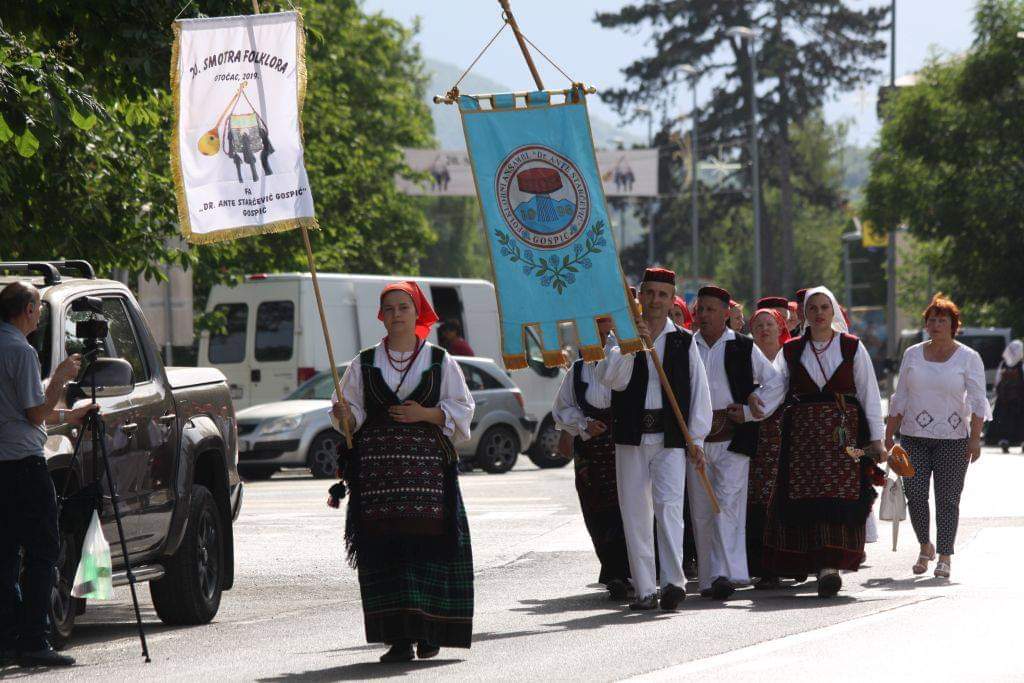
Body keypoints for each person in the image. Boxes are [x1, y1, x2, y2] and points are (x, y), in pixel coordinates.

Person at [331, 281, 475, 663]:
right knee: (387, 557)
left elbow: (463, 409)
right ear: (381, 316)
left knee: (427, 555)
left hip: (429, 481)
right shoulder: (363, 362)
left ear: (417, 313)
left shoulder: (441, 360)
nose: (396, 314)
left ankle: (428, 633)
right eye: (390, 308)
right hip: (378, 482)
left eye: (403, 307)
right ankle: (398, 639)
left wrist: (424, 413)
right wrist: (344, 415)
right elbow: (352, 415)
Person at [598, 267, 712, 611]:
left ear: (672, 299)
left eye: (663, 295)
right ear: (640, 296)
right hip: (631, 436)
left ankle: (674, 582)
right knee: (636, 513)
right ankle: (646, 589)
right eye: (650, 293)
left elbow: (699, 391)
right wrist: (631, 345)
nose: (656, 300)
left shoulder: (684, 340)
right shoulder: (620, 337)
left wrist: (697, 438)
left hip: (671, 438)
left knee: (670, 509)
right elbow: (611, 380)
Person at [761, 286, 886, 597]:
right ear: (805, 313)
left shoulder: (852, 347)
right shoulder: (791, 350)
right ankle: (817, 564)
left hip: (843, 435)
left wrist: (877, 440)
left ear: (834, 312)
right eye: (812, 308)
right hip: (803, 438)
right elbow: (775, 389)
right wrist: (751, 409)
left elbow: (869, 394)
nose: (818, 313)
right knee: (807, 499)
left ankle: (830, 566)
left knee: (839, 498)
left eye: (824, 307)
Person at [0, 282, 96, 668]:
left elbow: (22, 411)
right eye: (38, 307)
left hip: (4, 464)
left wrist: (69, 415)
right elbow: (34, 413)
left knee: (7, 554)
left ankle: (8, 637)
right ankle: (34, 639)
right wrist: (60, 378)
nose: (39, 314)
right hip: (24, 465)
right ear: (27, 309)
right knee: (44, 550)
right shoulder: (20, 351)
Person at [689, 288, 787, 600]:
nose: (704, 315)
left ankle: (724, 574)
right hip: (696, 440)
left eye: (710, 309)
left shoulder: (743, 346)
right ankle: (708, 578)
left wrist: (749, 410)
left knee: (728, 504)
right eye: (700, 309)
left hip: (733, 438)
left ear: (725, 313)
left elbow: (776, 381)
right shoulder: (687, 345)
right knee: (702, 508)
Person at [885, 294, 990, 579]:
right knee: (915, 494)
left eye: (942, 320)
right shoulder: (912, 354)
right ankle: (925, 546)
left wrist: (975, 438)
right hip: (912, 437)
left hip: (954, 440)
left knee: (947, 499)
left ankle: (944, 556)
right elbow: (900, 395)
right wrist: (889, 434)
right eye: (931, 320)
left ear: (954, 325)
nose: (936, 325)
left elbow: (978, 401)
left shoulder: (968, 358)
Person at [553, 316, 630, 599]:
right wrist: (584, 423)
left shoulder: (625, 363)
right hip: (591, 453)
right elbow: (562, 408)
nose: (602, 339)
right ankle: (613, 572)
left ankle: (629, 571)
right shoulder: (577, 370)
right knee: (597, 512)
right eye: (596, 333)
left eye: (607, 334)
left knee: (627, 510)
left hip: (623, 446)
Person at [744, 308, 794, 588]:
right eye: (758, 326)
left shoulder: (790, 357)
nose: (764, 330)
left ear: (780, 328)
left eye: (769, 324)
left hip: (788, 435)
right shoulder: (746, 359)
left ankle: (794, 561)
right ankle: (766, 567)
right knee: (759, 500)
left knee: (789, 496)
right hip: (757, 438)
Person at [987, 339, 1024, 452]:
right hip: (1018, 400)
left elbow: (997, 381)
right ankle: (1017, 441)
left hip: (1003, 400)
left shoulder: (1003, 364)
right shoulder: (1021, 365)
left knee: (1003, 421)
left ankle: (1004, 440)